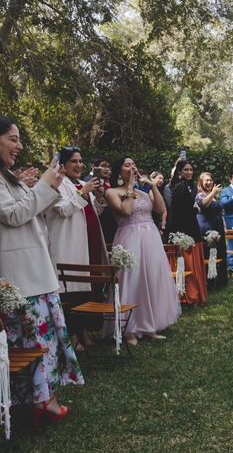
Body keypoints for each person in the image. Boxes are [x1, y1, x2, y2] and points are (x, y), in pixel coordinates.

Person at [0, 117, 83, 423]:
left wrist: (49, 184)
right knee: (32, 342)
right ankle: (40, 401)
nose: (19, 146)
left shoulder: (8, 177)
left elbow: (30, 211)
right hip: (21, 276)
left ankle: (42, 399)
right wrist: (46, 184)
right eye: (12, 139)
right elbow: (13, 215)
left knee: (39, 342)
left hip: (34, 271)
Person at [106, 157, 181, 345]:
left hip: (151, 239)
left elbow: (161, 208)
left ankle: (151, 326)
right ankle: (129, 329)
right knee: (133, 280)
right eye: (127, 165)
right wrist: (130, 187)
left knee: (151, 278)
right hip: (129, 238)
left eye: (133, 164)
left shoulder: (142, 191)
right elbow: (126, 211)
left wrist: (152, 186)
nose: (132, 167)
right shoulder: (112, 192)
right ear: (119, 171)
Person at [45, 146, 107, 351]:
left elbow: (90, 211)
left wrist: (97, 198)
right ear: (62, 165)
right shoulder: (56, 184)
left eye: (81, 161)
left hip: (87, 241)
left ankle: (84, 330)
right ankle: (71, 335)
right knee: (70, 291)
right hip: (67, 243)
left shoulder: (82, 184)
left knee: (84, 289)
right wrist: (84, 192)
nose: (79, 165)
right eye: (74, 161)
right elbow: (63, 209)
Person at [166, 159, 207, 305]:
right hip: (184, 230)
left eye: (191, 170)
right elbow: (181, 211)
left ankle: (192, 293)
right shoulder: (180, 187)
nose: (189, 172)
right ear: (179, 172)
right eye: (186, 170)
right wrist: (197, 209)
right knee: (186, 265)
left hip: (189, 228)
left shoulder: (187, 186)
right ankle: (188, 295)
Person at [196, 172, 228, 288]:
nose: (209, 182)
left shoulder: (213, 195)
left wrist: (224, 226)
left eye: (210, 180)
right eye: (206, 180)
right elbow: (204, 204)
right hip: (207, 228)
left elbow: (220, 212)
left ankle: (219, 280)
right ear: (201, 182)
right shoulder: (200, 195)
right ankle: (208, 282)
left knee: (219, 253)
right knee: (209, 254)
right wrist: (213, 192)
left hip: (218, 227)